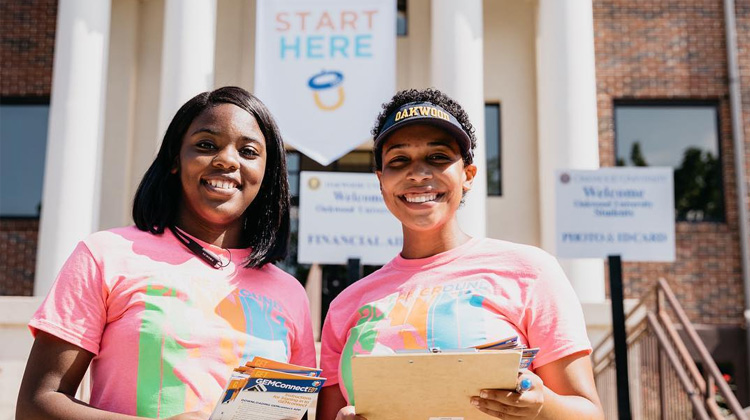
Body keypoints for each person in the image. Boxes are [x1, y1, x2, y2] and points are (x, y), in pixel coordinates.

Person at [16, 86, 316, 420]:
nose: (227, 160)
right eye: (206, 145)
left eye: (248, 151)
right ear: (175, 159)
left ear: (266, 174)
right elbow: (36, 404)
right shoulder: (105, 255)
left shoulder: (290, 293)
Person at [316, 88, 604, 420]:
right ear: (381, 181)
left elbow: (589, 412)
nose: (419, 173)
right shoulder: (346, 305)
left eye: (438, 157)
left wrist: (542, 404)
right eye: (399, 160)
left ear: (467, 175)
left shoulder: (530, 271)